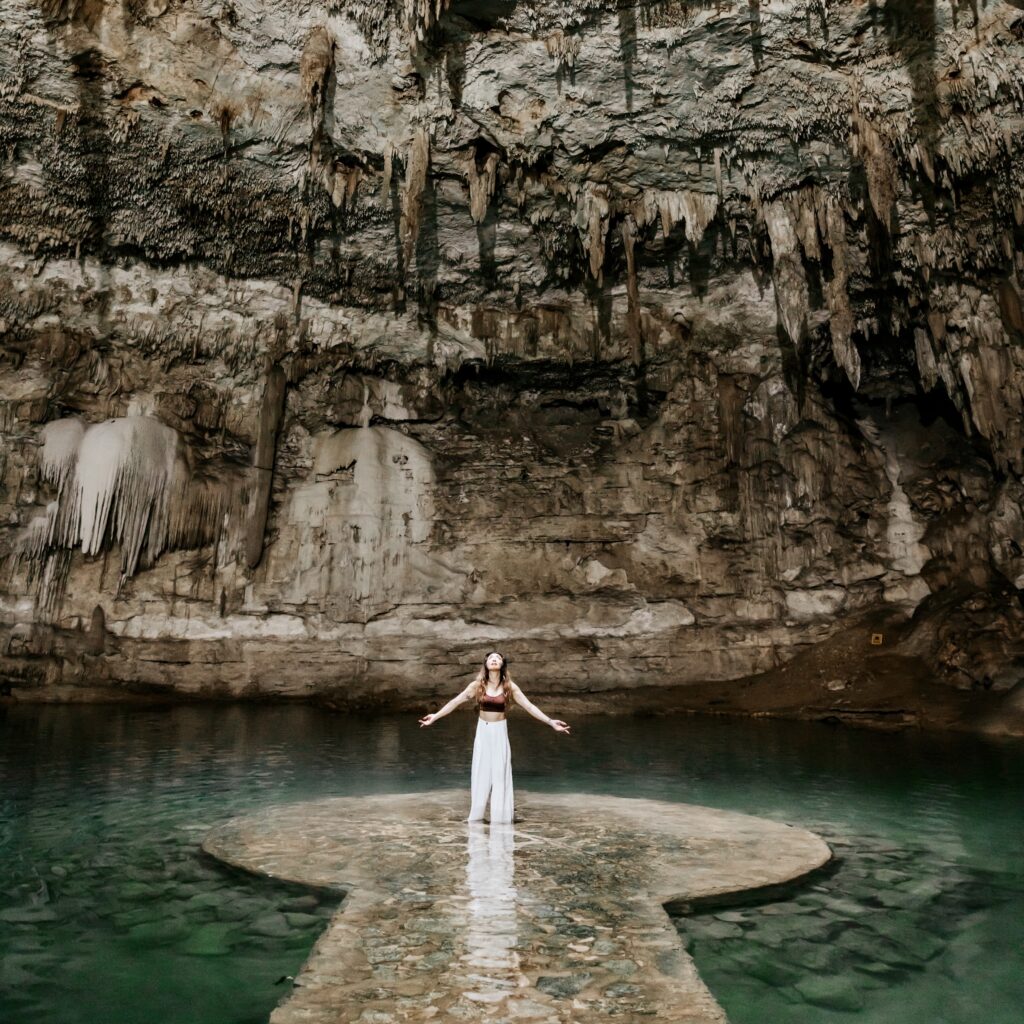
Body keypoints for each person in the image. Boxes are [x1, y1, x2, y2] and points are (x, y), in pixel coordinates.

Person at [419, 651, 571, 823]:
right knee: (480, 773)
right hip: (483, 732)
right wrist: (435, 716)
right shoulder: (477, 685)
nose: (494, 659)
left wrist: (550, 722)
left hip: (500, 731)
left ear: (502, 664)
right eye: (491, 658)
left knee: (500, 773)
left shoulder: (509, 687)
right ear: (485, 664)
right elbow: (455, 702)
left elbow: (529, 706)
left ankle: (501, 818)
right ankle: (476, 817)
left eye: (498, 658)